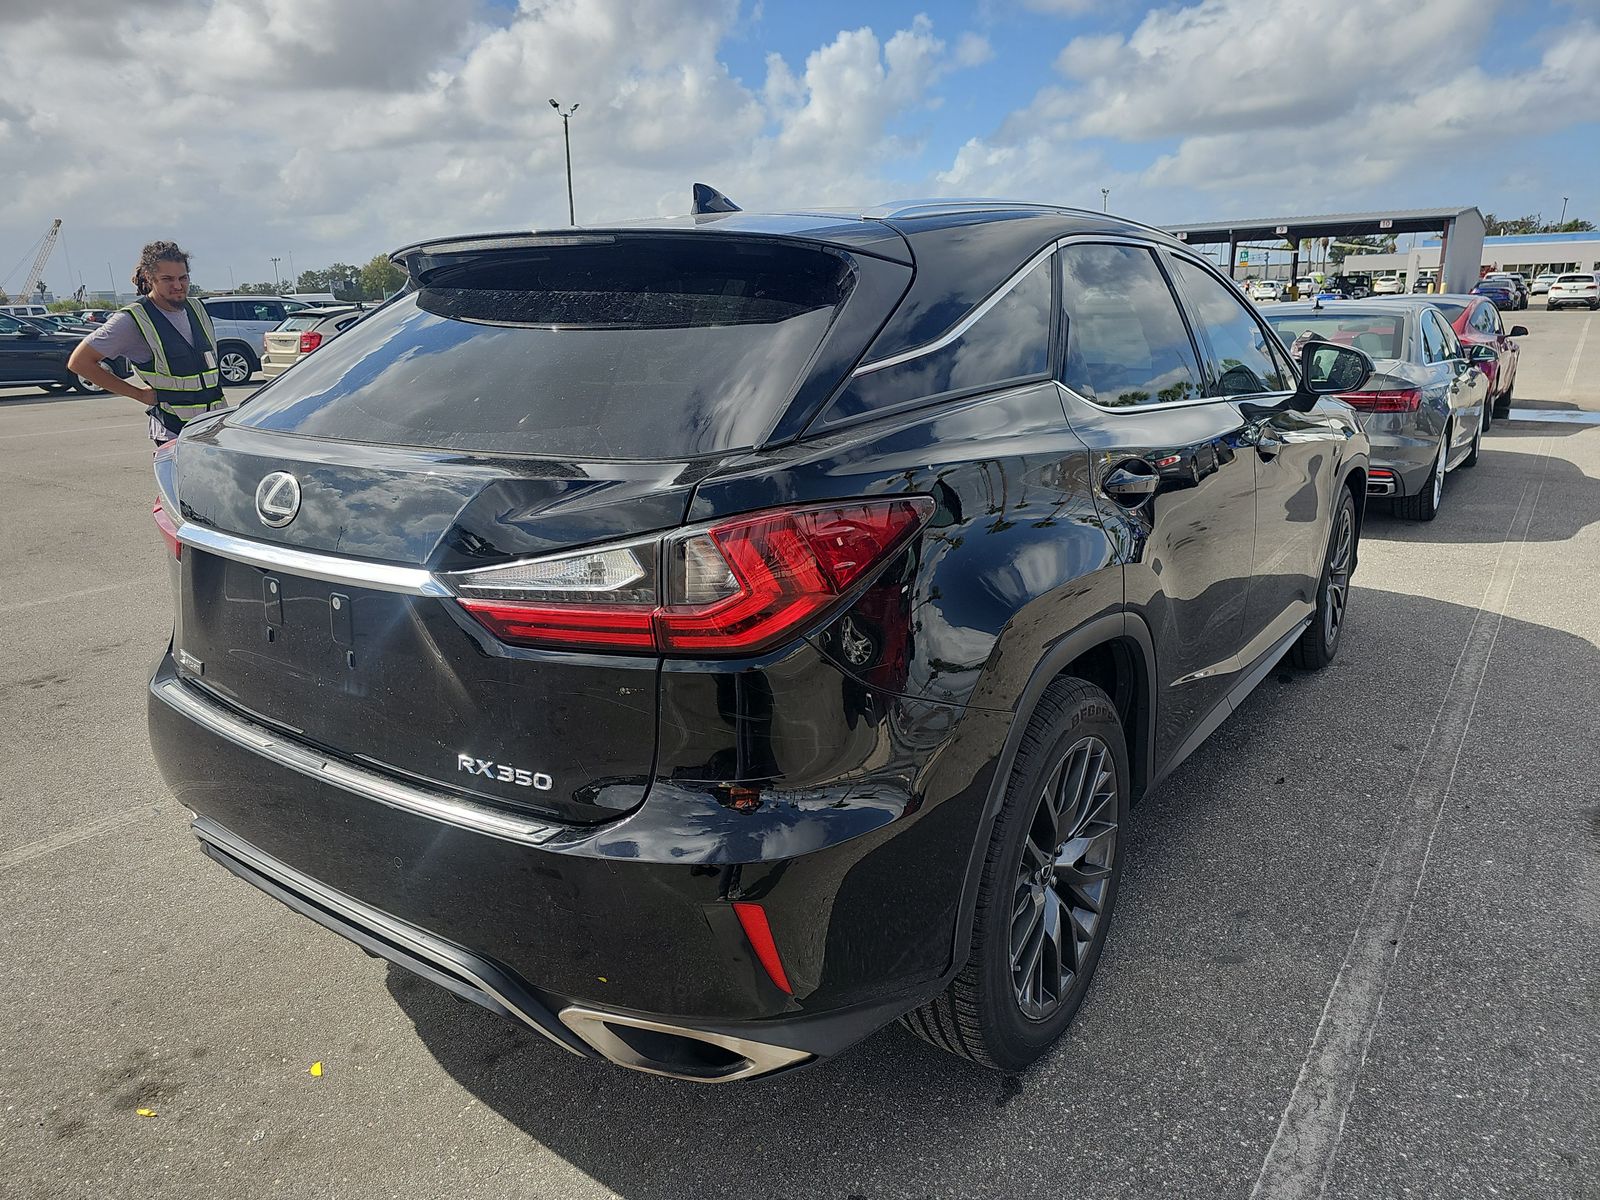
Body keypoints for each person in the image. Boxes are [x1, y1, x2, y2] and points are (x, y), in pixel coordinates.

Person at [67, 240, 224, 444]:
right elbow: (79, 362)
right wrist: (139, 395)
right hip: (174, 433)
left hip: (213, 428)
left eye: (183, 278)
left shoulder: (197, 309)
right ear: (150, 278)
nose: (178, 285)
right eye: (167, 279)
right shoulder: (133, 319)